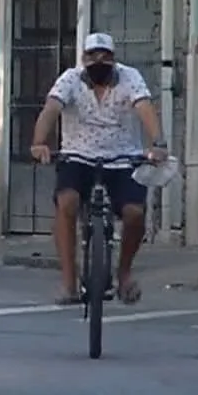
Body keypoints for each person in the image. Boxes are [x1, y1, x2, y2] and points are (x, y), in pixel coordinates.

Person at [28, 33, 169, 305]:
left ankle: (124, 274)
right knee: (67, 202)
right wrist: (38, 143)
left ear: (114, 59)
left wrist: (158, 143)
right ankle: (69, 282)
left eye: (105, 56)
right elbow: (51, 109)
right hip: (78, 156)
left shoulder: (130, 78)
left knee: (134, 213)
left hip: (123, 158)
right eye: (92, 56)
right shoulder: (70, 79)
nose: (99, 62)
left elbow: (145, 108)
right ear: (83, 59)